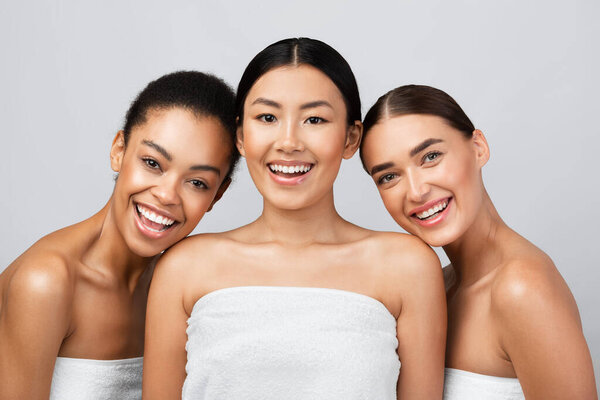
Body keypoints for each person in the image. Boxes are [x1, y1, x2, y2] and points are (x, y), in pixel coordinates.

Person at [143, 38, 446, 400]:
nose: (288, 142)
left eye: (314, 119)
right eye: (267, 118)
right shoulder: (183, 267)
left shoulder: (408, 266)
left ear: (351, 137)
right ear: (240, 136)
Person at [0, 71, 238, 400]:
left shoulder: (180, 287)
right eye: (153, 163)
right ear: (118, 150)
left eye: (197, 182)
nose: (167, 195)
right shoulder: (47, 282)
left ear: (217, 195)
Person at [359, 84, 598, 399]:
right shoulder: (435, 288)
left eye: (430, 156)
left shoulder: (521, 288)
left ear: (478, 148)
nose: (416, 191)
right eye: (389, 177)